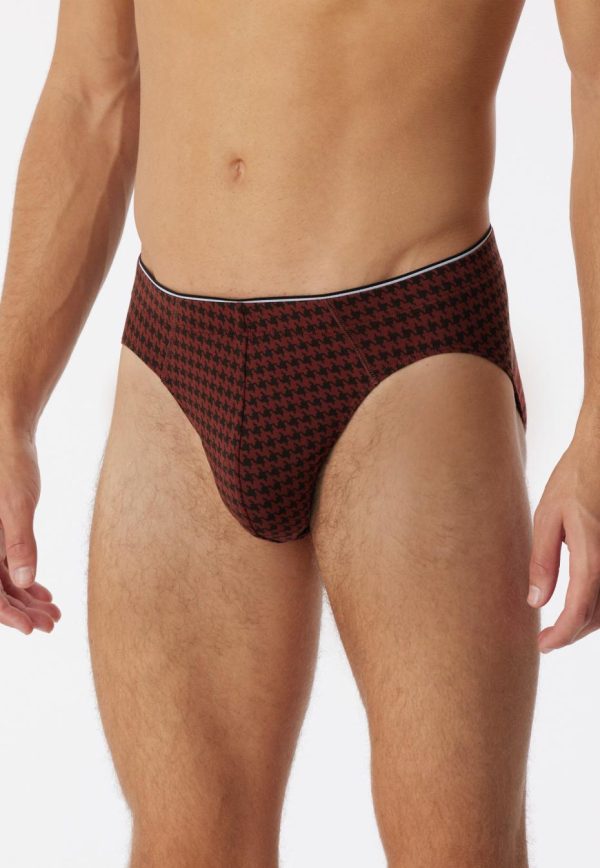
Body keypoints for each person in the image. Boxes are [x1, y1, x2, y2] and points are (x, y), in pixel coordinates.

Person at [1, 0, 599, 865]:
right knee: (185, 848)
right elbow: (92, 90)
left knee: (455, 848)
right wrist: (9, 407)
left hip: (409, 340)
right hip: (175, 358)